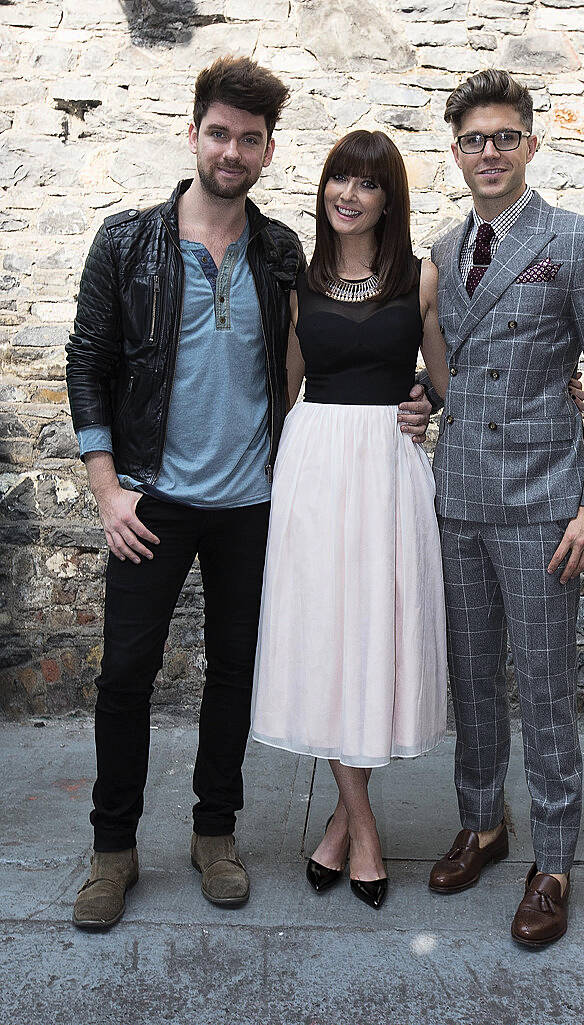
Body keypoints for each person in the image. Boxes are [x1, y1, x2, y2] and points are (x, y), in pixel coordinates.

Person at [65, 57, 433, 931]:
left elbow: (351, 343)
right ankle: (112, 851)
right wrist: (108, 489)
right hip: (149, 501)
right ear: (193, 135)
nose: (233, 150)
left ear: (268, 153)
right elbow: (89, 362)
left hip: (254, 502)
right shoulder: (125, 241)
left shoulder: (279, 254)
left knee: (234, 674)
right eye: (220, 133)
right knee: (125, 675)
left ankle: (215, 835)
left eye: (251, 139)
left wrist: (418, 393)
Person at [422, 69, 584, 946]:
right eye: (474, 139)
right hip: (460, 496)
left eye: (505, 136)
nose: (489, 152)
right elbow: (453, 370)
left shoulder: (576, 240)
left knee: (546, 690)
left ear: (530, 145)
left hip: (546, 502)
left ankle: (552, 860)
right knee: (472, 678)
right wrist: (420, 400)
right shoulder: (441, 251)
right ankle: (482, 822)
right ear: (456, 150)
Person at [250, 130, 453, 910]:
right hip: (315, 464)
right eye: (339, 177)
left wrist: (425, 407)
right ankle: (363, 829)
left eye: (366, 184)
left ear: (387, 200)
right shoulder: (296, 280)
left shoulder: (421, 277)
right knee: (325, 634)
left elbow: (444, 377)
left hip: (388, 466)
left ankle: (340, 825)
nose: (347, 193)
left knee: (373, 632)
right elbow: (284, 387)